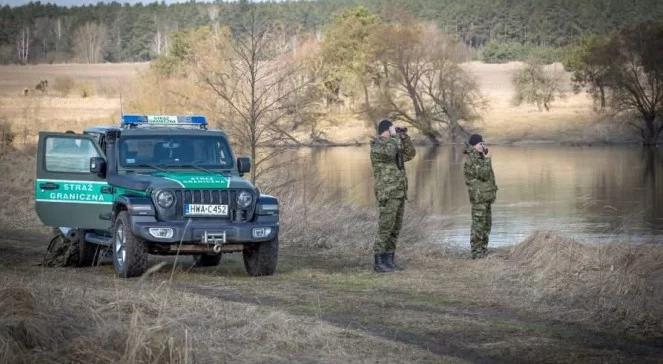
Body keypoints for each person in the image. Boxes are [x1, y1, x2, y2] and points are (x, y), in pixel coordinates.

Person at [370, 119, 416, 272]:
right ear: (385, 131)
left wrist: (404, 137)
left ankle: (389, 260)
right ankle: (378, 262)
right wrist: (395, 137)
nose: (394, 132)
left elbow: (410, 154)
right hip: (387, 192)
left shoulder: (394, 144)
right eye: (391, 129)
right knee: (385, 227)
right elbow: (390, 153)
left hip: (399, 192)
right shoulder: (378, 146)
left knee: (395, 228)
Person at [463, 134, 498, 259]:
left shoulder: (480, 157)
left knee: (487, 225)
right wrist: (488, 158)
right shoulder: (471, 158)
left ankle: (483, 250)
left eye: (483, 144)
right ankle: (476, 253)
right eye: (480, 144)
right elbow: (483, 174)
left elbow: (488, 177)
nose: (482, 146)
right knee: (478, 225)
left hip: (485, 197)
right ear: (474, 145)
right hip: (478, 198)